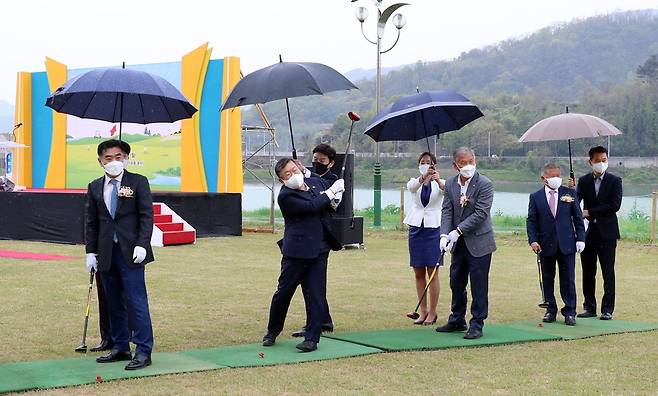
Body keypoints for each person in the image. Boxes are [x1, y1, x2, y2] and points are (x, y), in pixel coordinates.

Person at [85, 139, 155, 370]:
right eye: (108, 158)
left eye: (118, 157)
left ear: (126, 158)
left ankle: (144, 351)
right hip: (106, 253)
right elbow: (91, 223)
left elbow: (146, 216)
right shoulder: (94, 186)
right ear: (100, 161)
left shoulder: (138, 182)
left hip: (132, 251)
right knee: (113, 301)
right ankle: (120, 347)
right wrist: (90, 252)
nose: (113, 161)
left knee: (136, 301)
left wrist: (142, 244)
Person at [262, 158, 344, 352]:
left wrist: (335, 198)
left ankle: (312, 338)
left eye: (294, 170)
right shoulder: (286, 196)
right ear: (282, 180)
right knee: (283, 293)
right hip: (296, 253)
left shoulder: (314, 184)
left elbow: (325, 205)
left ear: (299, 167)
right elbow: (312, 207)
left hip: (319, 250)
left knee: (316, 294)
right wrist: (331, 192)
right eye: (287, 175)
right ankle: (272, 331)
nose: (292, 175)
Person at [436, 147, 496, 339]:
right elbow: (446, 210)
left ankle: (477, 323)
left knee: (479, 284)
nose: (468, 165)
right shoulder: (452, 184)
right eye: (463, 163)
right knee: (456, 281)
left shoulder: (485, 184)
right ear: (455, 165)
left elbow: (481, 213)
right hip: (458, 244)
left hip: (480, 242)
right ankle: (457, 319)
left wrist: (458, 230)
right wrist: (444, 235)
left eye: (471, 161)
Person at [527, 163, 586, 326]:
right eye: (552, 176)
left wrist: (581, 238)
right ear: (543, 178)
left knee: (568, 279)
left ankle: (570, 311)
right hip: (545, 244)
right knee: (547, 278)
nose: (556, 179)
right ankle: (550, 309)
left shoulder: (569, 193)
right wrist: (533, 240)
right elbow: (531, 221)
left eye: (558, 175)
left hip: (567, 243)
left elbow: (578, 218)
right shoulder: (535, 197)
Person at [292, 144, 339, 338]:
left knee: (315, 284)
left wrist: (304, 171)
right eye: (315, 160)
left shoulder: (333, 180)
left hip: (322, 237)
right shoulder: (306, 178)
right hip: (306, 235)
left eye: (322, 161)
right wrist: (298, 171)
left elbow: (322, 187)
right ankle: (323, 319)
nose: (317, 163)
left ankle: (317, 322)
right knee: (309, 283)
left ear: (331, 163)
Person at [569, 146, 622, 320]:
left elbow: (614, 206)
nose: (601, 163)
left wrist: (590, 212)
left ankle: (607, 309)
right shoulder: (584, 181)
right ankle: (589, 307)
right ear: (590, 162)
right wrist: (571, 190)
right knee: (588, 271)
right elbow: (575, 204)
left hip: (607, 233)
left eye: (604, 160)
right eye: (598, 160)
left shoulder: (615, 181)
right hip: (588, 233)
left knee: (608, 271)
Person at [403, 151, 445, 325]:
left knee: (432, 272)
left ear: (434, 165)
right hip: (416, 228)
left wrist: (436, 179)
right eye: (422, 162)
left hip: (433, 228)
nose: (425, 164)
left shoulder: (440, 183)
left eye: (429, 162)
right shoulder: (415, 181)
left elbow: (448, 190)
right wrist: (424, 177)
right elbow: (412, 187)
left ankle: (433, 312)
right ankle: (423, 311)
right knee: (418, 271)